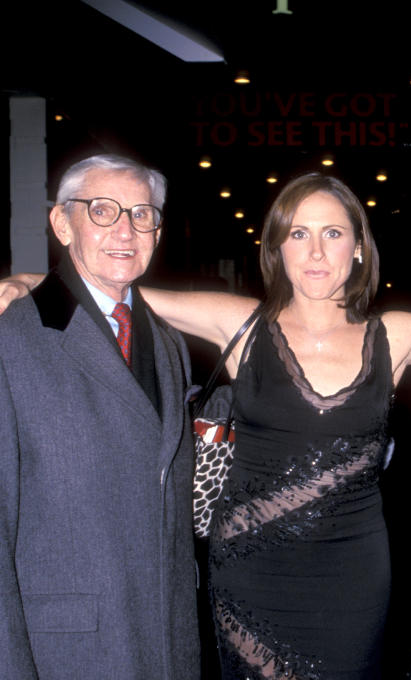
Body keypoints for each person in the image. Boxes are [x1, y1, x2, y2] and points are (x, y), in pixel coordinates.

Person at [0, 172, 411, 679]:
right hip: (253, 578)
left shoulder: (398, 333)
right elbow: (118, 287)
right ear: (276, 246)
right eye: (298, 234)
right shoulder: (244, 325)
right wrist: (34, 281)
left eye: (333, 234)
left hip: (369, 581)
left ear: (358, 247)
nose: (315, 251)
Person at [0, 154, 200, 679]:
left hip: (167, 636)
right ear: (62, 223)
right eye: (103, 210)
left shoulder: (168, 343)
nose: (126, 230)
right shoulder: (13, 338)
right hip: (68, 650)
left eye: (141, 213)